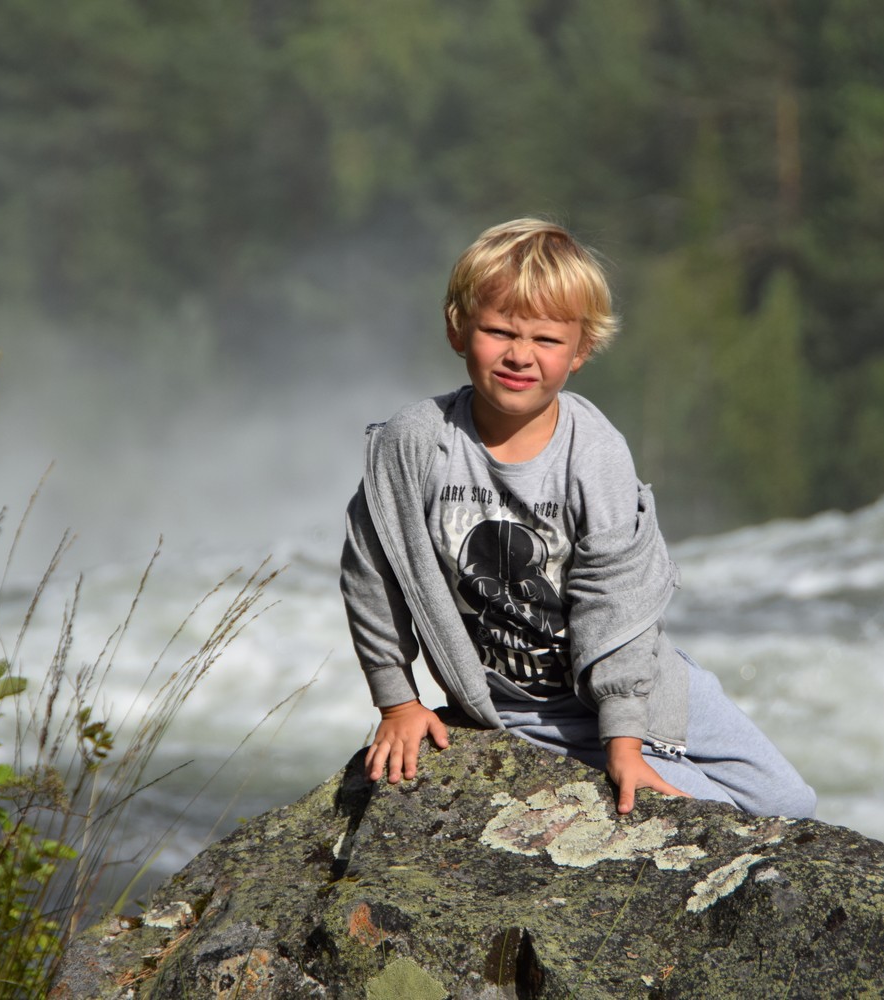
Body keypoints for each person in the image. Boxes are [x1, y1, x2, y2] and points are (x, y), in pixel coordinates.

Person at [340, 218, 815, 818]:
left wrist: (624, 738)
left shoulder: (594, 451)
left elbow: (616, 598)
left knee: (787, 804)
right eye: (498, 331)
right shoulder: (416, 441)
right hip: (513, 713)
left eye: (546, 340)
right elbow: (372, 573)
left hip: (633, 688)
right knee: (690, 813)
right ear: (457, 330)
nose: (520, 355)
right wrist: (397, 703)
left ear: (581, 351)